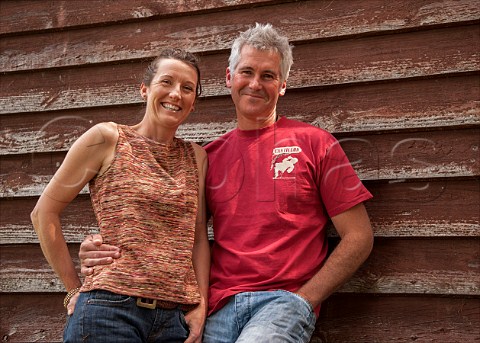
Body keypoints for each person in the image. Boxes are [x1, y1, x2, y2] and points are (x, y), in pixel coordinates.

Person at [80, 23, 374, 343]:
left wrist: (303, 300)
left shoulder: (316, 144)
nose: (255, 84)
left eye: (268, 75)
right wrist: (105, 250)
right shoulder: (207, 157)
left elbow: (358, 236)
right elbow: (174, 234)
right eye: (246, 72)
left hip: (281, 302)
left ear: (283, 84)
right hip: (217, 307)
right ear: (229, 78)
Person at [30, 48, 210, 343]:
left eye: (187, 88)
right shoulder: (107, 138)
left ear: (192, 104)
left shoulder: (196, 158)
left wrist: (200, 303)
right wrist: (73, 289)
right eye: (166, 82)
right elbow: (43, 213)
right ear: (144, 89)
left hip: (173, 323)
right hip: (108, 311)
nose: (176, 93)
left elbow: (198, 237)